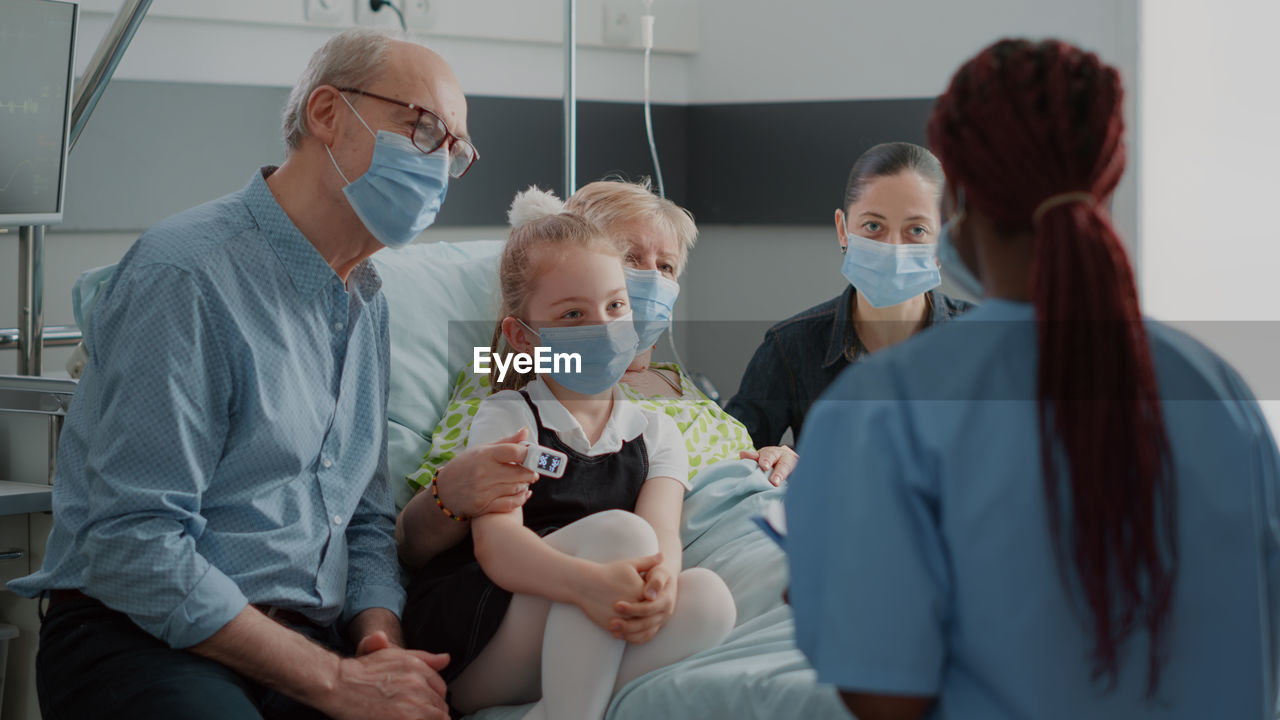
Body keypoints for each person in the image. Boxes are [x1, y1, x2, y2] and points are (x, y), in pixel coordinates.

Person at [5, 28, 522, 720]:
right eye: (422, 127)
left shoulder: (365, 301)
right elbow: (135, 544)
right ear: (328, 113)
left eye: (455, 149)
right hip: (141, 637)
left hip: (304, 641)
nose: (440, 161)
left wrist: (378, 643)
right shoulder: (186, 275)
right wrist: (336, 683)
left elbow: (364, 520)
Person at [787, 39, 1280, 720]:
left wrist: (827, 591)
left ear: (956, 196)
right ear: (1109, 177)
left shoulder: (887, 408)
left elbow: (887, 698)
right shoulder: (1218, 390)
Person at [402, 188, 735, 719]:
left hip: (578, 634)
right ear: (523, 337)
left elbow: (664, 536)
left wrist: (662, 584)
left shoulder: (657, 432)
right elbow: (499, 548)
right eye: (573, 314)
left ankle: (562, 707)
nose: (603, 328)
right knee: (620, 535)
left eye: (616, 306)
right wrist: (590, 585)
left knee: (710, 600)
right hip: (483, 634)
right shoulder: (510, 415)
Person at [396, 177, 798, 574]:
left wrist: (772, 459)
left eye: (666, 266)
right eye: (630, 257)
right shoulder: (513, 374)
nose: (653, 280)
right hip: (660, 562)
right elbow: (437, 522)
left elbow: (730, 464)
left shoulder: (676, 379)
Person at [725, 142, 971, 449]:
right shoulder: (791, 347)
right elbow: (730, 455)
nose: (893, 248)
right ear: (843, 229)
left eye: (917, 230)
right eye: (873, 226)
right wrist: (780, 461)